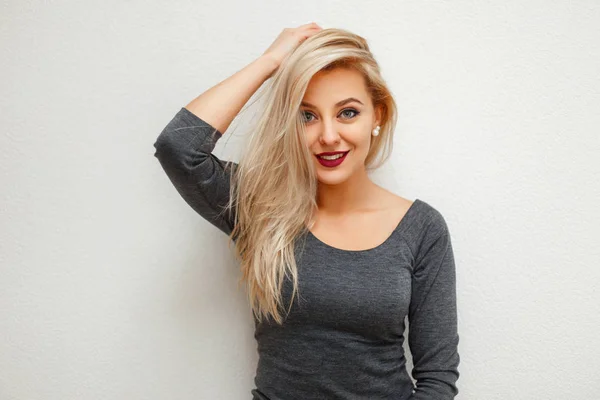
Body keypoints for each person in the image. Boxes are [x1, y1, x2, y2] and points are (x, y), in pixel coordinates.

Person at [153, 23, 460, 400]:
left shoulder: (422, 228)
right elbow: (178, 148)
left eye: (347, 112)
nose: (328, 136)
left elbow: (437, 380)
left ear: (377, 116)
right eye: (307, 116)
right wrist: (271, 61)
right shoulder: (260, 207)